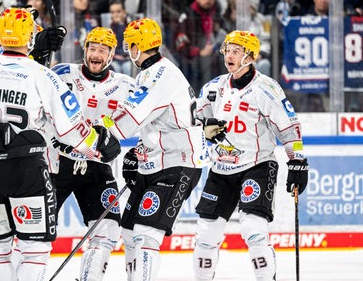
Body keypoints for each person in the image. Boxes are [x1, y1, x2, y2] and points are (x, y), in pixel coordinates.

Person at [0, 7, 120, 281]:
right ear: (30, 37)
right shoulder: (43, 75)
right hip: (26, 169)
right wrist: (99, 145)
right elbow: (72, 132)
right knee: (34, 248)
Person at [192, 30, 309, 281]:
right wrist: (203, 128)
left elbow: (290, 129)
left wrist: (297, 163)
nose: (229, 55)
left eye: (237, 51)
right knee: (206, 234)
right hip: (220, 170)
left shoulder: (266, 89)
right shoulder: (213, 88)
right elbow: (192, 121)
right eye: (228, 50)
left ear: (250, 56)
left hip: (257, 165)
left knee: (253, 229)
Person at [103, 17, 207, 281]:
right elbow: (155, 124)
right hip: (156, 161)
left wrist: (97, 126)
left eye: (130, 45)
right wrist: (137, 152)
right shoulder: (155, 72)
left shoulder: (160, 75)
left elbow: (125, 125)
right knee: (128, 231)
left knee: (146, 234)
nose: (128, 51)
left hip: (178, 164)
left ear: (138, 46)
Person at [49, 26, 133, 281]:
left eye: (103, 50)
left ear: (111, 55)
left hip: (96, 168)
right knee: (35, 233)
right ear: (84, 51)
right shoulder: (61, 74)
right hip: (56, 165)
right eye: (92, 48)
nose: (97, 54)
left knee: (107, 231)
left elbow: (149, 119)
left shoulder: (126, 85)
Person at [108, 0, 131, 76]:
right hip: (114, 60)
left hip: (128, 60)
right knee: (115, 69)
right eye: (112, 12)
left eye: (118, 11)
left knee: (128, 67)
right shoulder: (109, 29)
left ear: (124, 12)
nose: (115, 15)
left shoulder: (130, 28)